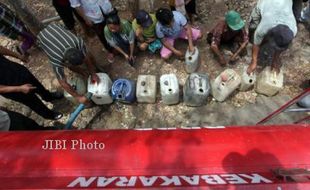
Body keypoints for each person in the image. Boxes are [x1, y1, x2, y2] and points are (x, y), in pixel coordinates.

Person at [37, 23, 99, 105]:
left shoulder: (78, 42)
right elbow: (62, 82)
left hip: (54, 26)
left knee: (88, 56)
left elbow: (86, 57)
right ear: (66, 62)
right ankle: (82, 72)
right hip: (42, 38)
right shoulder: (56, 60)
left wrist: (93, 73)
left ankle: (89, 72)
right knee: (71, 67)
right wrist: (78, 97)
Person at [0, 46, 63, 120]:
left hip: (17, 70)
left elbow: (1, 49)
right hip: (11, 87)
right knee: (32, 102)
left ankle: (48, 96)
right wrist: (19, 88)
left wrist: (18, 56)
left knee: (37, 85)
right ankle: (49, 115)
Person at [247, 0, 297, 74]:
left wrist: (275, 60)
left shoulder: (293, 30)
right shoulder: (265, 27)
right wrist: (254, 62)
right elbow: (256, 43)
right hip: (266, 2)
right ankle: (249, 39)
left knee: (265, 38)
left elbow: (282, 45)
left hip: (284, 3)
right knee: (253, 26)